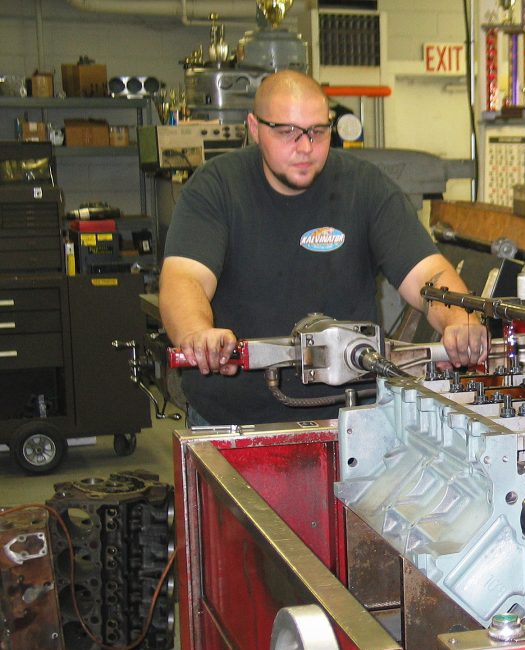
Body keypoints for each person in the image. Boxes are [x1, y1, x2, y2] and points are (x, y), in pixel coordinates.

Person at [160, 70, 488, 425]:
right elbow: (185, 278)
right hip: (232, 420)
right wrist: (196, 334)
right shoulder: (216, 188)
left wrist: (459, 321)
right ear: (255, 128)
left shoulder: (364, 187)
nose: (305, 147)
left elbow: (428, 273)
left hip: (350, 418)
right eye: (287, 131)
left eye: (318, 131)